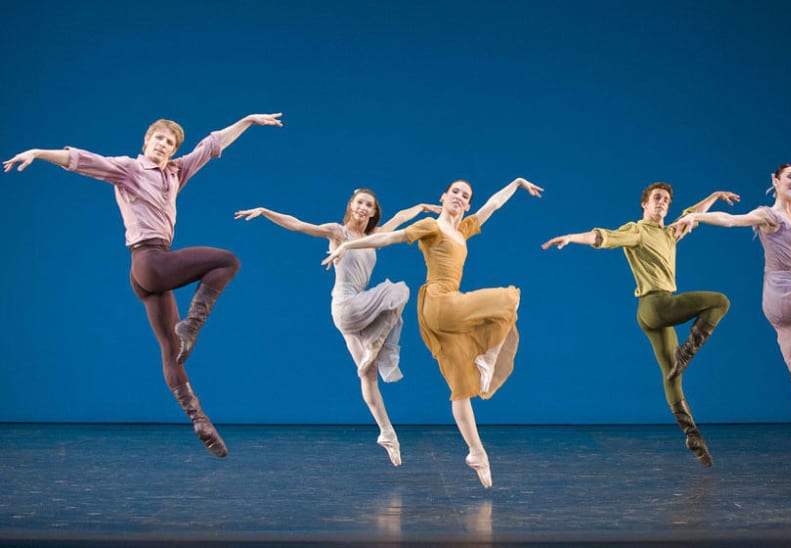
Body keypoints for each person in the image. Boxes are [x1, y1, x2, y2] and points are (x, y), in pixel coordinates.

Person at [3, 113, 284, 457]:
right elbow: (83, 160)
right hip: (150, 261)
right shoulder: (129, 169)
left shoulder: (177, 172)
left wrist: (248, 121)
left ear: (173, 150)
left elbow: (211, 145)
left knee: (172, 351)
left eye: (169, 142)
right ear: (146, 142)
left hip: (145, 274)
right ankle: (192, 326)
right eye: (158, 139)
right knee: (227, 261)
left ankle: (199, 419)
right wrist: (37, 152)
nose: (163, 145)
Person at [322, 177, 543, 488]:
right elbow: (389, 238)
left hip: (448, 310)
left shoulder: (464, 229)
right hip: (438, 302)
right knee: (509, 298)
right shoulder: (431, 226)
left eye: (465, 195)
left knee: (461, 388)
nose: (459, 197)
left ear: (468, 204)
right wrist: (347, 244)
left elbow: (492, 205)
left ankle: (477, 452)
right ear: (443, 197)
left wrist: (516, 183)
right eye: (455, 192)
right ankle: (488, 359)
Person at [672, 165, 791, 477]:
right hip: (782, 294)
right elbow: (731, 219)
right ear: (775, 181)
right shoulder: (769, 215)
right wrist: (696, 216)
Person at [234, 192, 440, 466]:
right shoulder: (337, 232)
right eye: (360, 202)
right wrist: (265, 210)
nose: (363, 207)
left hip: (359, 310)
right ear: (351, 206)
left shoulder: (375, 235)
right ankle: (375, 344)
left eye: (369, 205)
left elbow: (400, 218)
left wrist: (422, 207)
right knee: (399, 290)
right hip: (347, 306)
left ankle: (387, 433)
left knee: (368, 375)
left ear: (373, 212)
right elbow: (299, 225)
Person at [542, 183, 737, 467]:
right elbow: (604, 237)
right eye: (657, 198)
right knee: (720, 301)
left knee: (672, 374)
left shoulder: (670, 233)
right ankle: (687, 353)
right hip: (656, 305)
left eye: (666, 199)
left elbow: (692, 215)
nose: (662, 202)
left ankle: (692, 435)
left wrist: (715, 196)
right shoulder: (638, 230)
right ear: (644, 204)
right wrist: (572, 237)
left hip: (650, 314)